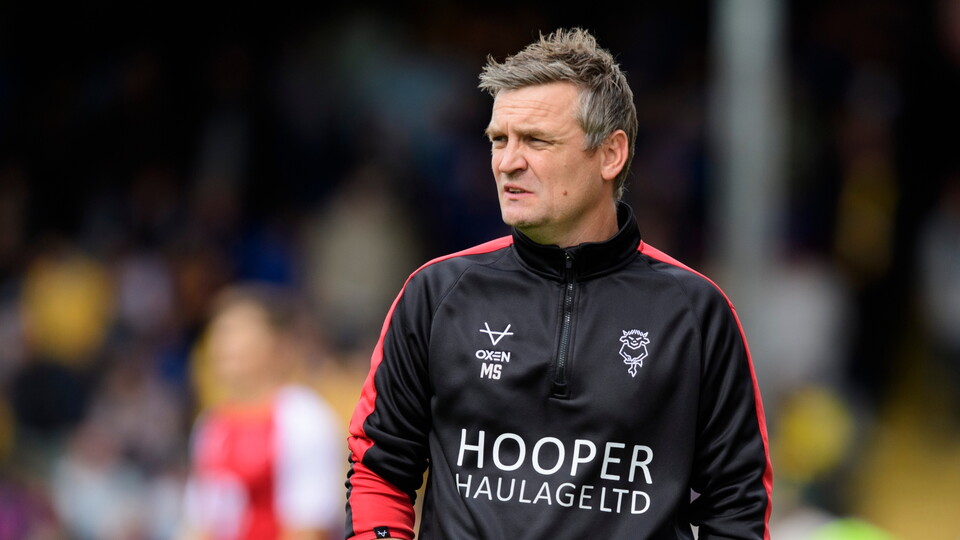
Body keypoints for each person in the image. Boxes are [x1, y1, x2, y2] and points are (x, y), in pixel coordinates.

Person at [344, 28, 772, 539]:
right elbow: (378, 469)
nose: (508, 162)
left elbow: (737, 506)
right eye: (499, 140)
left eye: (536, 141)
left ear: (611, 154)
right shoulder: (436, 294)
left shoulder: (696, 312)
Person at [181, 283, 345, 540]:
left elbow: (309, 529)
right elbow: (201, 525)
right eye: (217, 332)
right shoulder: (212, 424)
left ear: (276, 343)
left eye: (235, 331)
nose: (221, 344)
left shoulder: (303, 418)